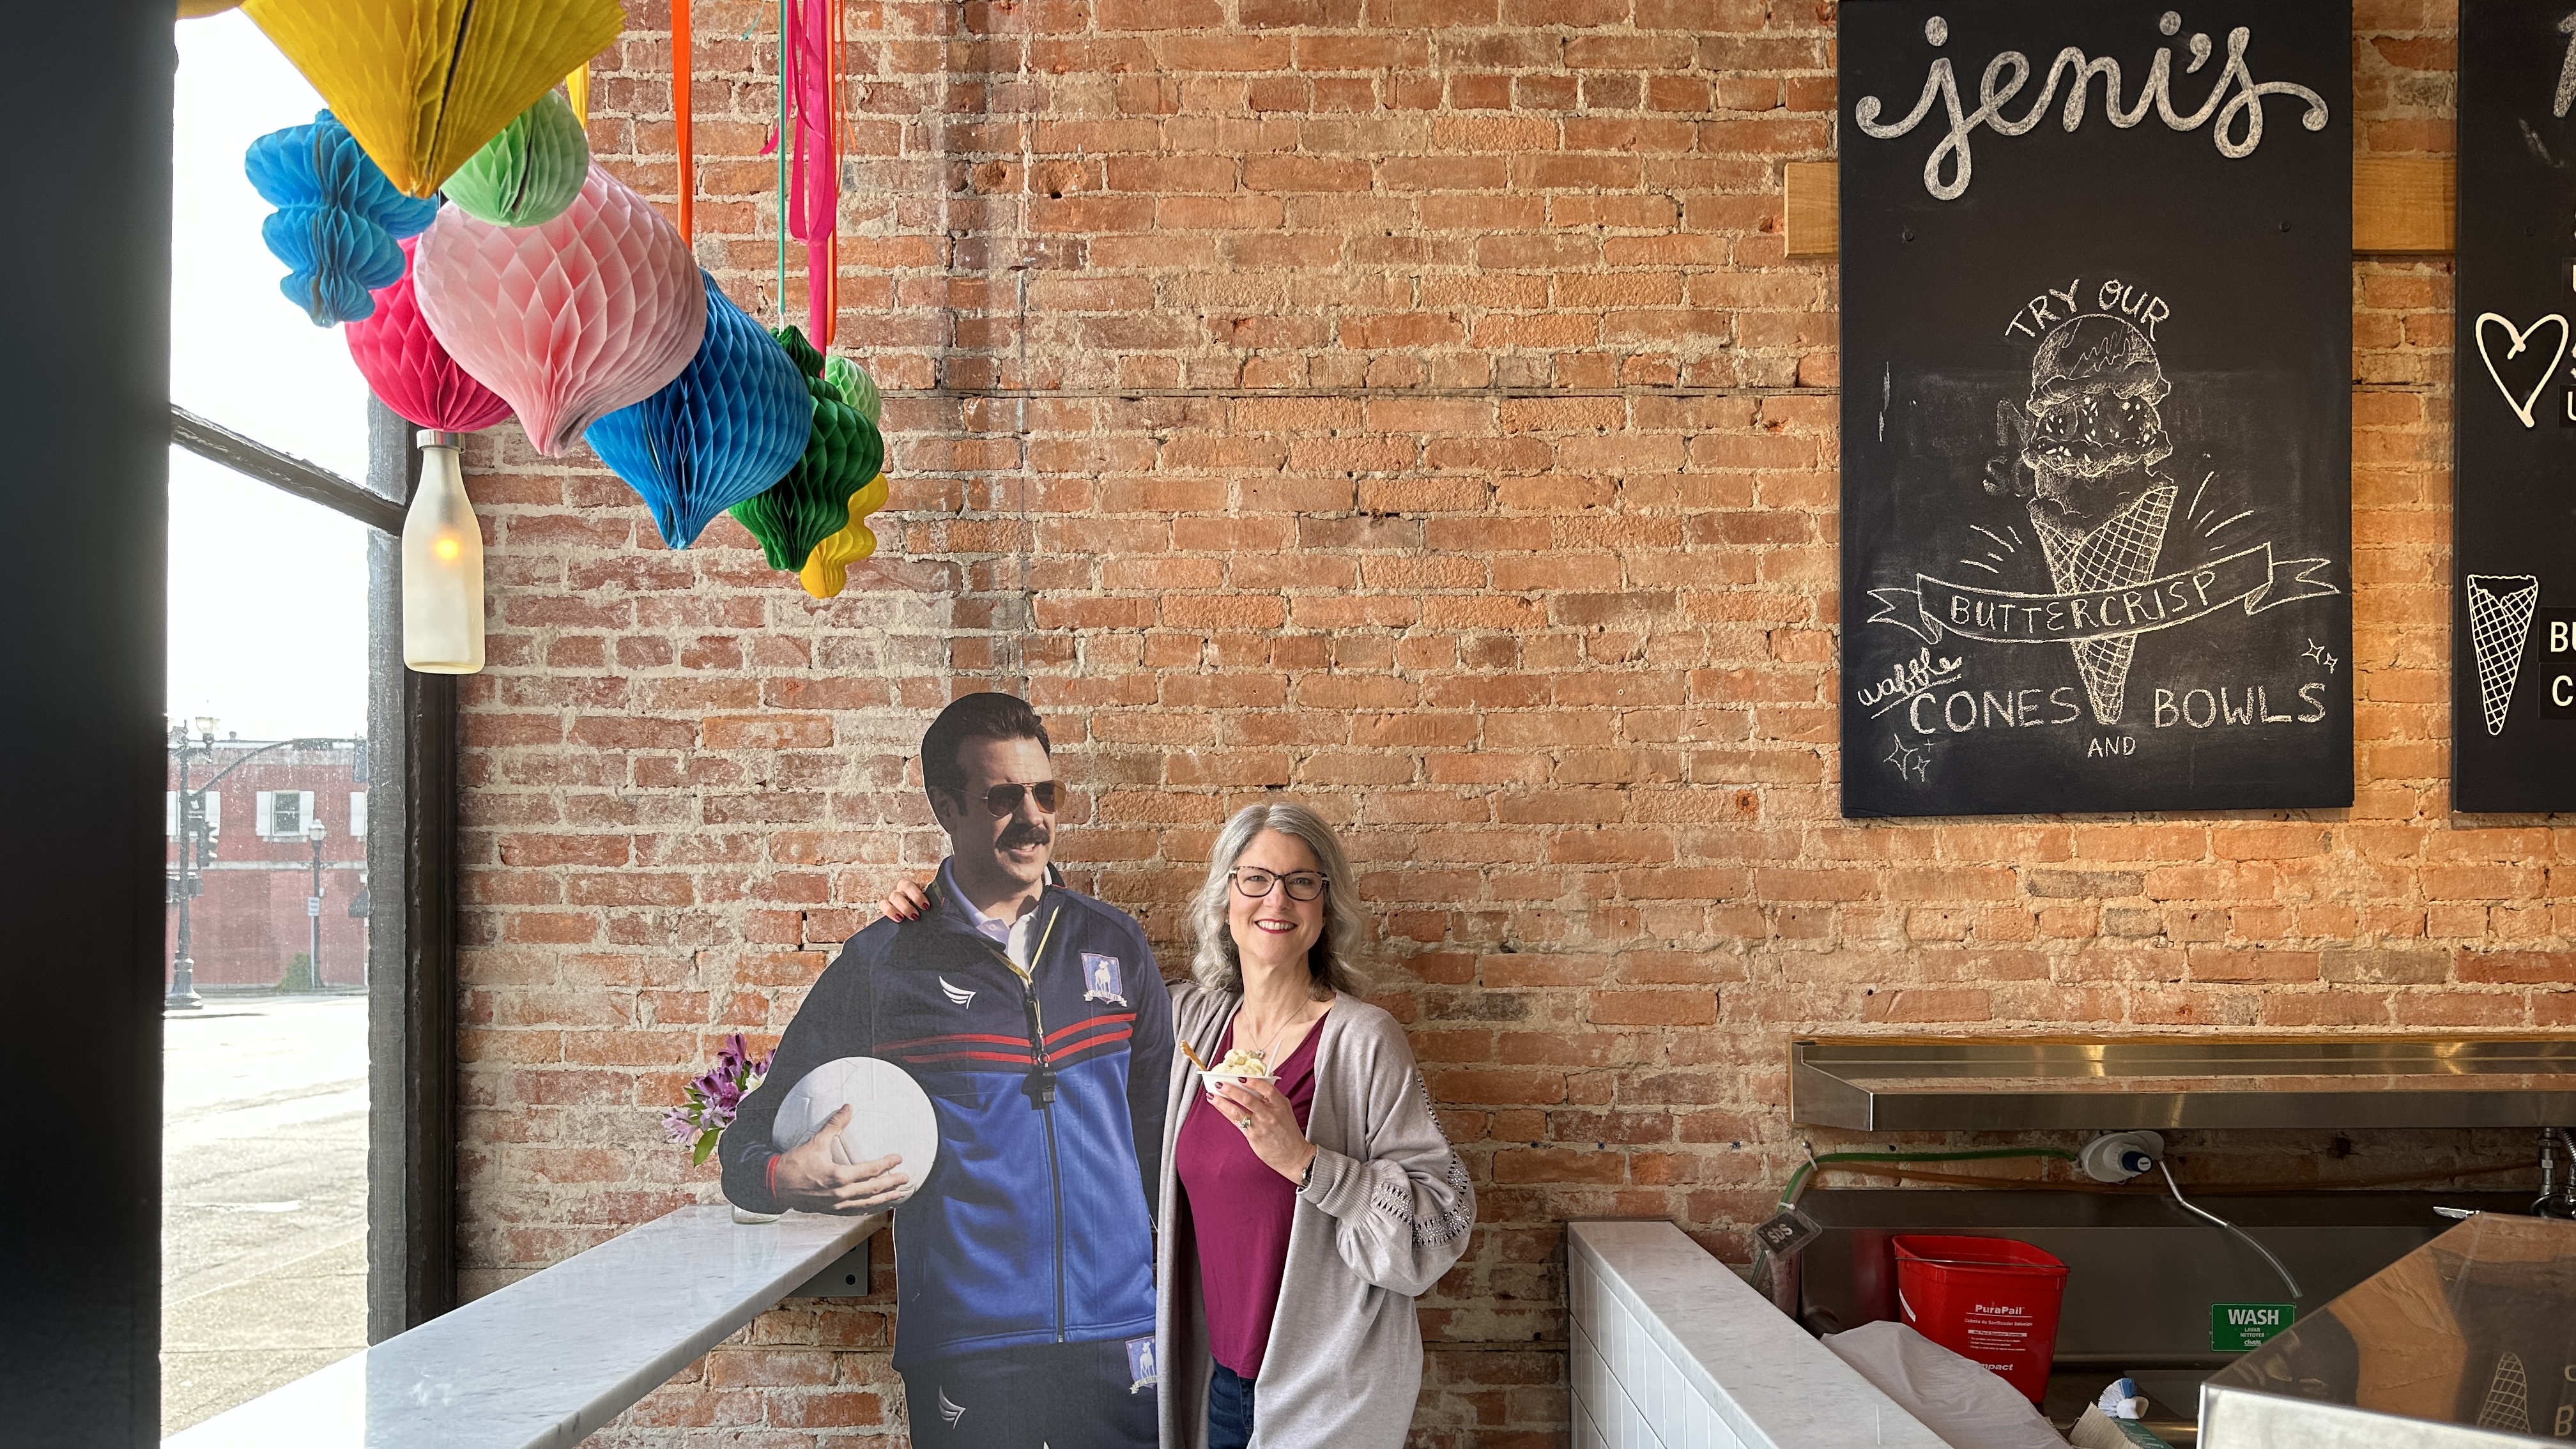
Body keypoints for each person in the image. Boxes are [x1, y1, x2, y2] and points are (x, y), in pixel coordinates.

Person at [721, 692, 1172, 1449]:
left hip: (1122, 1334)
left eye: (1045, 793)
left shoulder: (1115, 944)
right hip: (969, 1347)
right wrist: (784, 1179)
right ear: (946, 807)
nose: (1033, 818)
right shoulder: (888, 960)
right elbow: (745, 1146)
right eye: (1002, 797)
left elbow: (1162, 1139)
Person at [1160, 801, 1474, 1449]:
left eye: (1302, 881)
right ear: (1226, 897)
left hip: (1329, 1397)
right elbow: (1057, 1006)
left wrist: (1305, 1162)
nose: (1277, 899)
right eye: (1256, 878)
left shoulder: (1363, 1040)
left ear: (1325, 906)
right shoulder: (1188, 1024)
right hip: (1221, 1388)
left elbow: (1440, 1222)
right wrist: (932, 913)